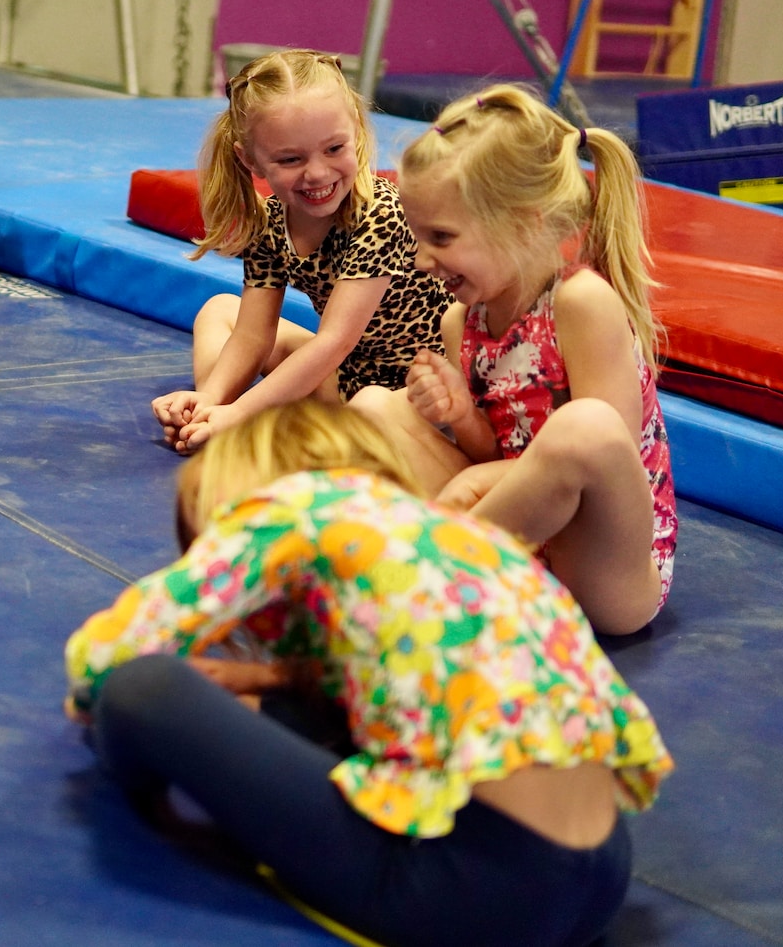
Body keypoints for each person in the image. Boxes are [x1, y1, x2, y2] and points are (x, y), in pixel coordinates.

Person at [65, 399, 673, 947]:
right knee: (306, 705)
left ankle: (126, 759)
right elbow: (397, 681)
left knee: (142, 689)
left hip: (480, 892)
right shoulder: (445, 530)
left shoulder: (288, 506)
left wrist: (97, 698)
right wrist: (268, 681)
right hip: (602, 876)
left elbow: (112, 651)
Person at [349, 84, 675, 636]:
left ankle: (439, 569)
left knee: (584, 426)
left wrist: (479, 489)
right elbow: (495, 448)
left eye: (442, 237)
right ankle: (459, 562)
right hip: (519, 538)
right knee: (373, 407)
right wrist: (460, 416)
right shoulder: (464, 321)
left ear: (523, 224)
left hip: (605, 570)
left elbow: (602, 452)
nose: (421, 259)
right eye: (417, 236)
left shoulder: (581, 302)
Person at [151, 49, 448, 456]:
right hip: (345, 374)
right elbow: (254, 335)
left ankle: (247, 424)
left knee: (365, 405)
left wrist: (237, 413)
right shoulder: (270, 223)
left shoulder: (379, 213)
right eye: (291, 159)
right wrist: (213, 400)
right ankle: (215, 418)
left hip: (409, 389)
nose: (318, 173)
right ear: (250, 160)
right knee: (220, 310)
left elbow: (334, 342)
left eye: (333, 149)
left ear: (357, 131)